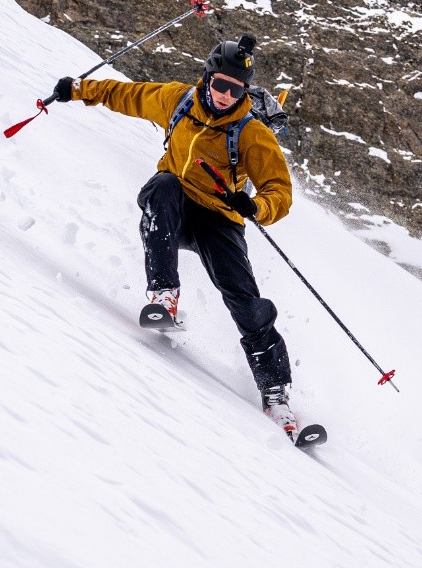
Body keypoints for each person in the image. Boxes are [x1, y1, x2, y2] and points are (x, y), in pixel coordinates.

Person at [52, 35, 300, 437]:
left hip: (220, 219)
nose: (224, 95)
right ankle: (164, 296)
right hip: (177, 205)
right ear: (207, 78)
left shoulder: (252, 133)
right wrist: (78, 90)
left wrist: (255, 207)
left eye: (235, 89)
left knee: (246, 301)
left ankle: (276, 394)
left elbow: (279, 192)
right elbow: (126, 95)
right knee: (160, 187)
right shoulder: (178, 100)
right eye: (219, 84)